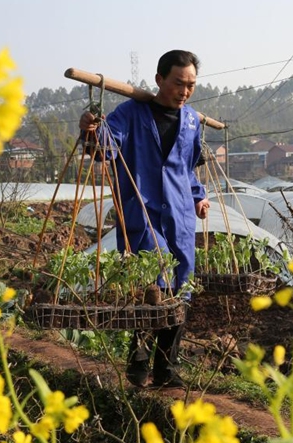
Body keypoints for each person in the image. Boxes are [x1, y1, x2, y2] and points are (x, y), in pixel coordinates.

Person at [80, 50, 210, 388]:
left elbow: (188, 167)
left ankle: (167, 367)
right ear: (159, 80)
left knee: (181, 290)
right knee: (152, 283)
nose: (184, 91)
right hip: (143, 211)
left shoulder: (193, 121)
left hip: (180, 216)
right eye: (178, 83)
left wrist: (198, 196)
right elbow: (106, 146)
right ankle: (138, 356)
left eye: (191, 85)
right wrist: (93, 132)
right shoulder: (132, 113)